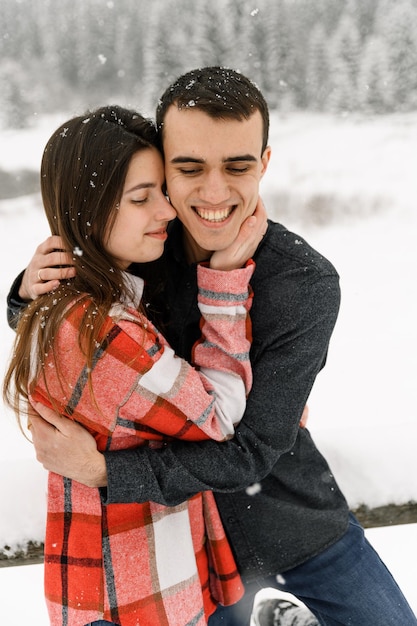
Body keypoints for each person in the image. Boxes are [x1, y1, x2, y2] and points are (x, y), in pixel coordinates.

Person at [7, 68, 417, 626]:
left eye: (238, 165)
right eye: (190, 167)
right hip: (189, 555)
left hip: (292, 524)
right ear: (163, 162)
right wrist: (27, 293)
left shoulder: (302, 282)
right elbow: (87, 333)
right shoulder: (146, 242)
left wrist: (106, 472)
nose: (215, 193)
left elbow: (248, 450)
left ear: (265, 164)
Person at [3, 103, 267, 626]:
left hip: (118, 581)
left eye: (162, 192)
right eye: (142, 198)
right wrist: (225, 283)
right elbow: (217, 417)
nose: (167, 212)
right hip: (137, 595)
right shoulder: (106, 332)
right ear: (90, 209)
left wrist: (20, 296)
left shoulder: (66, 302)